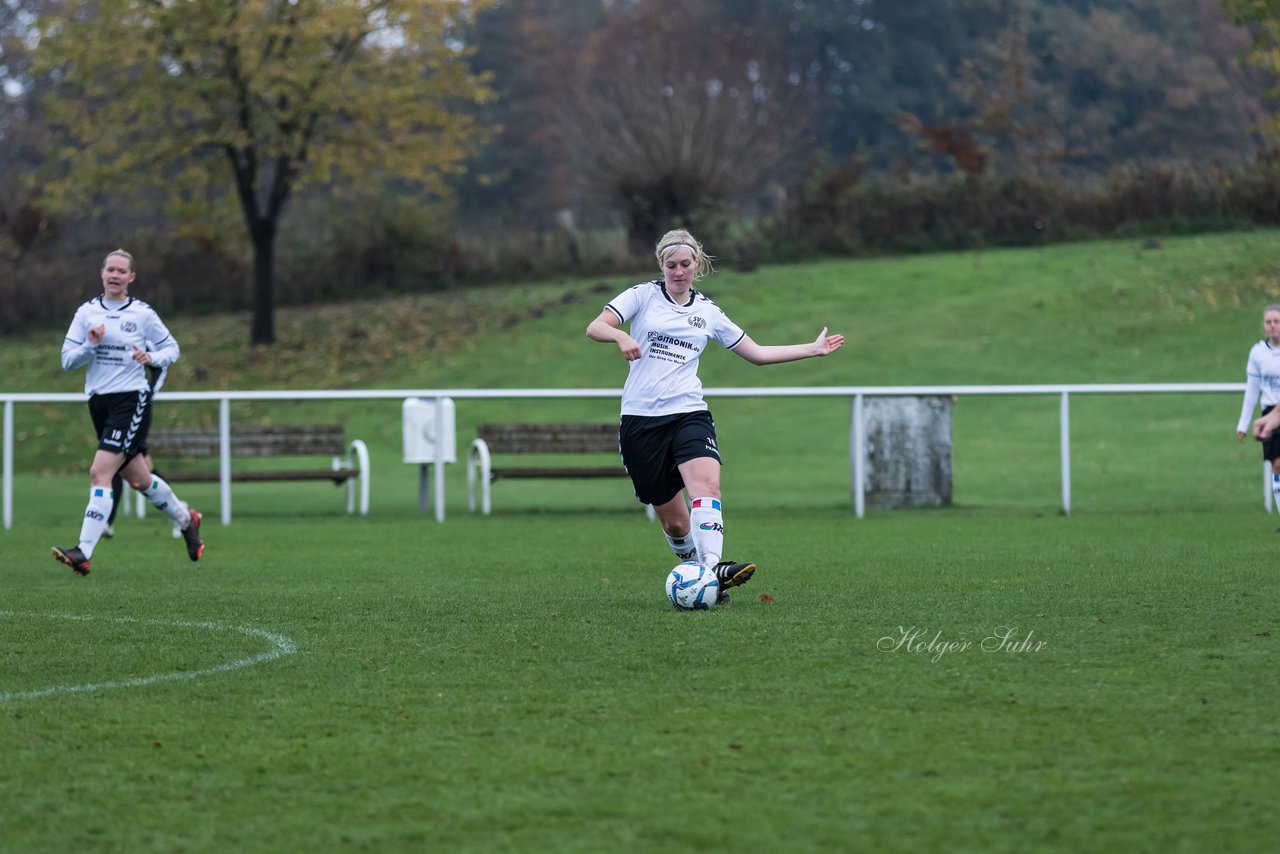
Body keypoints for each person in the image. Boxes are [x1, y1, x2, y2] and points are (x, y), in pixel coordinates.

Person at [586, 228, 844, 602]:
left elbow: (755, 353)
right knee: (675, 521)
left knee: (706, 487)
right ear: (661, 265)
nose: (678, 271)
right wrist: (620, 336)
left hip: (689, 413)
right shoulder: (641, 296)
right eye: (671, 264)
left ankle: (710, 571)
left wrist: (813, 349)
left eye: (685, 264)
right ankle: (697, 567)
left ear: (697, 264)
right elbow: (595, 326)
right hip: (641, 421)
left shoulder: (707, 312)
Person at [52, 249, 203, 575]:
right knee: (138, 479)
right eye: (111, 270)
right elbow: (67, 361)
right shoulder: (87, 313)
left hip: (131, 400)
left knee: (100, 471)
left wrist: (152, 359)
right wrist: (90, 345)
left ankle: (83, 551)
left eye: (122, 271)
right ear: (102, 273)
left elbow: (171, 349)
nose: (115, 275)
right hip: (99, 402)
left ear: (131, 277)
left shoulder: (143, 314)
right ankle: (186, 519)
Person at [1236, 304, 1280, 516]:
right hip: (1270, 412)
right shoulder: (1258, 353)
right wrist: (1243, 423)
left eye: (1277, 321)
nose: (1272, 326)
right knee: (1278, 465)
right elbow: (1252, 390)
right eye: (1268, 322)